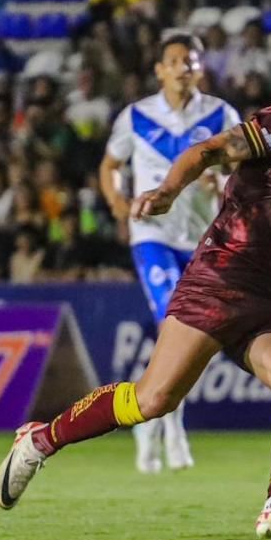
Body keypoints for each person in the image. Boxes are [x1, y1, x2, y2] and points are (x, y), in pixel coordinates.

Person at [0, 37, 271, 539]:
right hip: (222, 277)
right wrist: (169, 190)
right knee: (153, 400)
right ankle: (40, 441)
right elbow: (213, 149)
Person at [99, 32, 241, 474]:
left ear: (201, 68)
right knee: (173, 322)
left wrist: (221, 183)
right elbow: (109, 167)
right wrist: (119, 205)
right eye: (175, 60)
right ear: (160, 69)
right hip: (153, 236)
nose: (183, 67)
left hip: (202, 239)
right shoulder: (136, 116)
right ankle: (172, 427)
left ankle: (151, 420)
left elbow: (241, 169)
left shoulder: (221, 113)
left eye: (191, 60)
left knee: (189, 335)